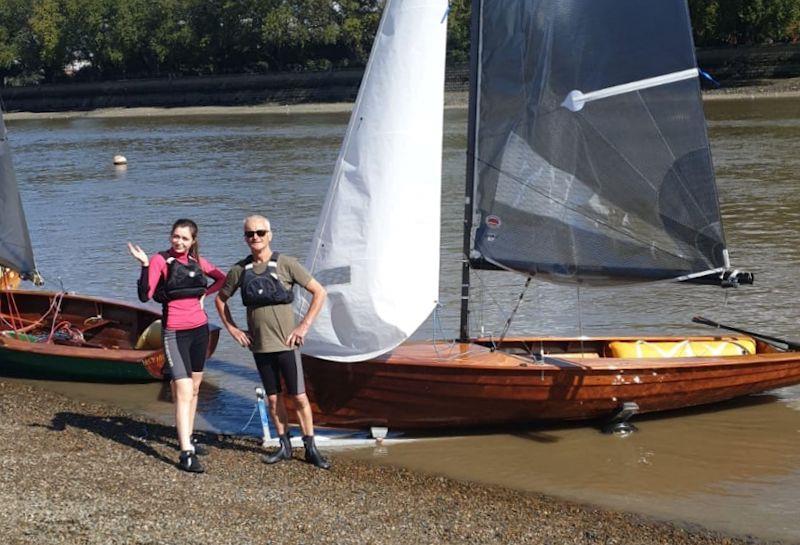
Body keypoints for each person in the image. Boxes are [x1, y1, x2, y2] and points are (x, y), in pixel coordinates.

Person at [215, 214, 329, 469]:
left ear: (270, 234)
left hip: (287, 345)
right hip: (260, 347)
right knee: (274, 399)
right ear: (245, 238)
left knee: (299, 397)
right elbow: (220, 300)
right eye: (250, 234)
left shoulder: (286, 264)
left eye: (260, 233)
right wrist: (233, 330)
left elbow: (319, 292)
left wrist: (304, 325)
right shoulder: (239, 271)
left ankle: (311, 447)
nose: (255, 238)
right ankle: (284, 446)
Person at [128, 219, 225, 473]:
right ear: (170, 237)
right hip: (175, 333)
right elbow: (145, 294)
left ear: (193, 241)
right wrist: (145, 265)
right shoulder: (161, 260)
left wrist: (205, 294)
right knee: (182, 390)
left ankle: (188, 437)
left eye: (184, 238)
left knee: (193, 389)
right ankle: (186, 453)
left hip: (200, 331)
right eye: (175, 237)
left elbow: (222, 279)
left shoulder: (198, 263)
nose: (179, 242)